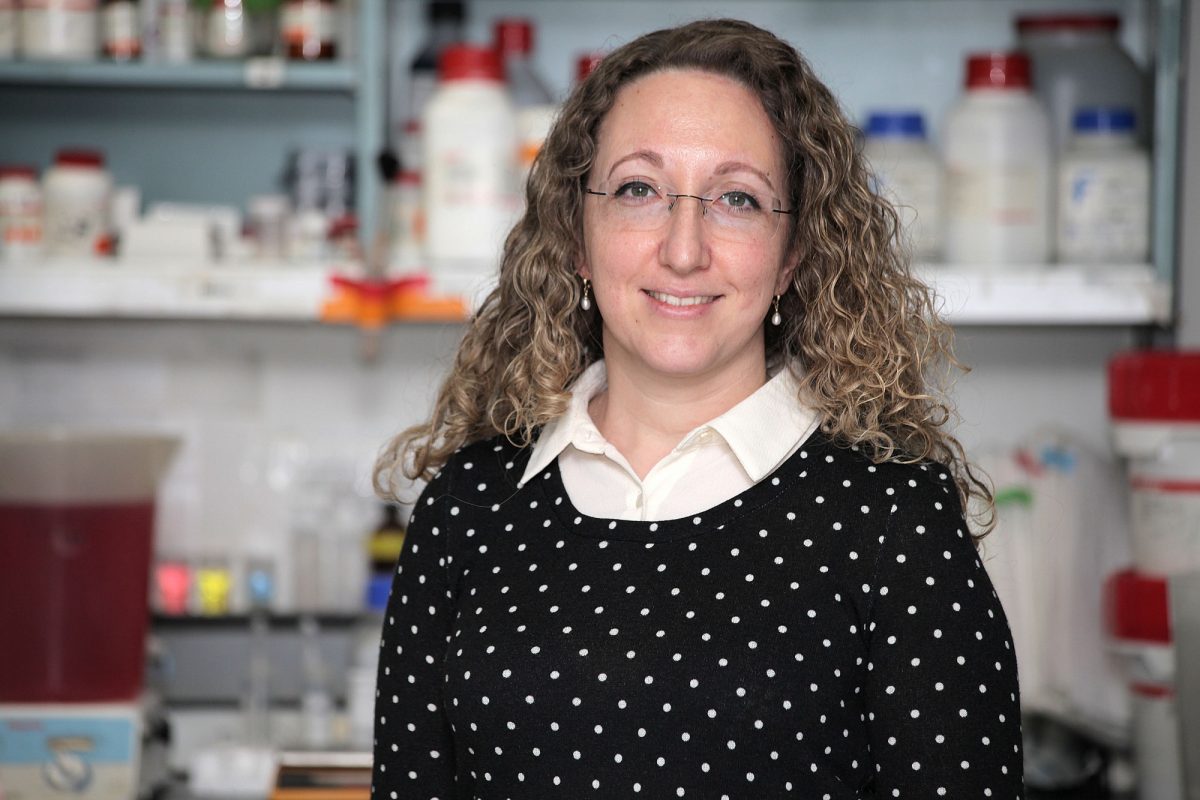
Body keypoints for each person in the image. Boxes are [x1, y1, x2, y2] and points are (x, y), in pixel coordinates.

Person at [371, 18, 1024, 799]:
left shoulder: (892, 523)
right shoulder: (469, 509)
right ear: (577, 234)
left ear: (793, 257)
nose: (684, 249)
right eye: (639, 189)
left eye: (737, 199)